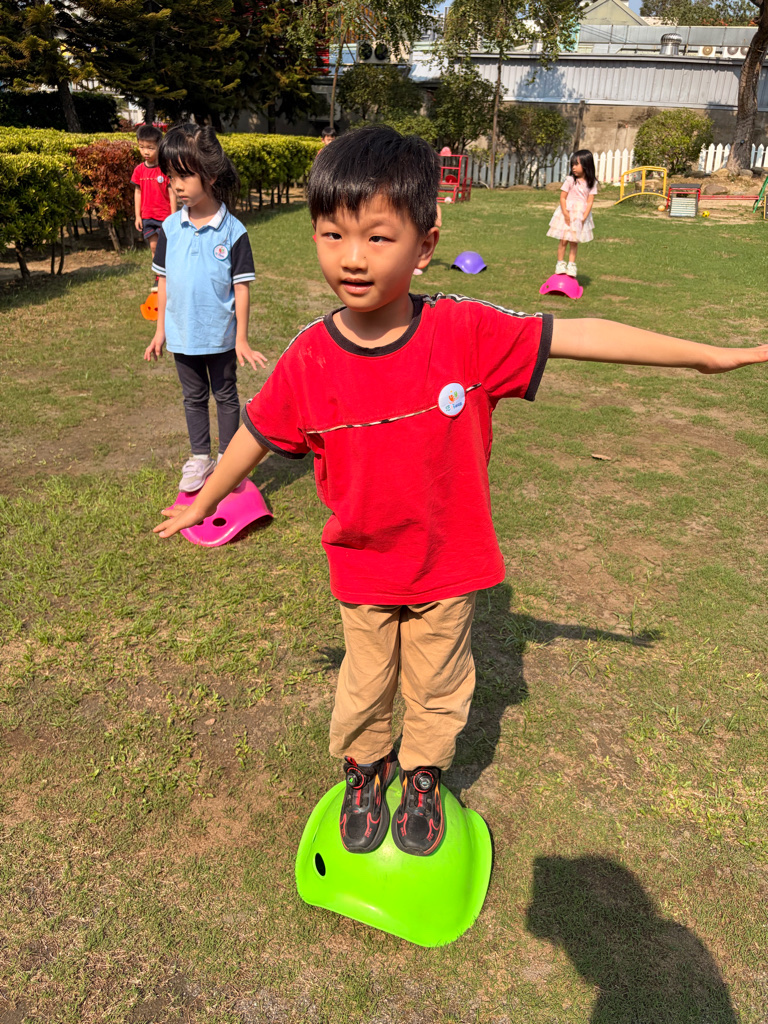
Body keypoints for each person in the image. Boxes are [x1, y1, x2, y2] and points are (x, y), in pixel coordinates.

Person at [153, 126, 768, 857]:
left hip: (449, 565)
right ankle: (364, 771)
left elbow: (580, 334)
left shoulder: (465, 332)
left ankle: (421, 775)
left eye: (378, 237)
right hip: (364, 566)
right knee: (364, 684)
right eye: (332, 234)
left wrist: (703, 356)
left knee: (437, 684)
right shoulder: (310, 356)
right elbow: (255, 433)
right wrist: (204, 500)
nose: (352, 258)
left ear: (426, 243)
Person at [143, 123, 268, 494]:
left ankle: (229, 459)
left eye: (184, 175)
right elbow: (163, 281)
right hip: (182, 335)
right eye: (171, 177)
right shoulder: (169, 228)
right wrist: (160, 331)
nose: (176, 185)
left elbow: (241, 287)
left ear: (210, 175)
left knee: (225, 396)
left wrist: (241, 339)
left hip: (220, 336)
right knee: (193, 398)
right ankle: (200, 458)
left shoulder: (233, 231)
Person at [132, 125, 177, 291]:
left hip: (165, 217)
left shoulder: (165, 170)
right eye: (142, 147)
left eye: (150, 148)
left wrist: (174, 216)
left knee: (168, 247)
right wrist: (138, 216)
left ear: (160, 146)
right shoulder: (139, 170)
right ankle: (159, 277)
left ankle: (172, 275)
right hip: (148, 217)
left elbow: (172, 193)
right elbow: (137, 193)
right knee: (153, 247)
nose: (146, 152)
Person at [546, 149, 598, 278]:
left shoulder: (592, 183)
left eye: (577, 164)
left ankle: (571, 265)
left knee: (574, 241)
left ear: (586, 164)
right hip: (567, 214)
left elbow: (590, 202)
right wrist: (565, 213)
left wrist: (584, 217)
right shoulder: (570, 180)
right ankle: (560, 263)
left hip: (580, 216)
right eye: (572, 164)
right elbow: (563, 197)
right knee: (563, 240)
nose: (573, 167)